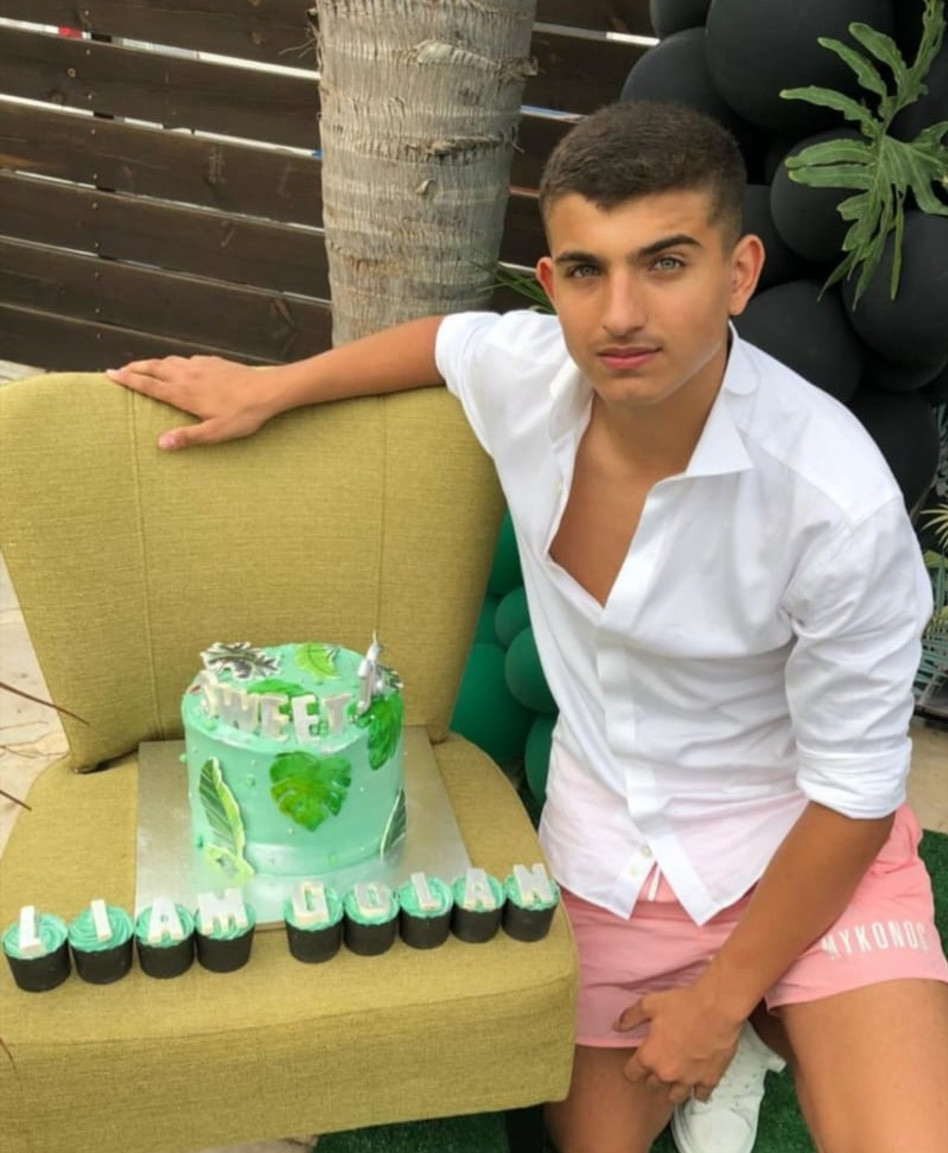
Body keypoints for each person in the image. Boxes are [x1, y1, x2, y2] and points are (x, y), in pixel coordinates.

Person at [107, 101, 948, 1153]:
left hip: (801, 852)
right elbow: (441, 341)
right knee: (589, 1139)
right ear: (550, 283)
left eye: (666, 263)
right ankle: (739, 1033)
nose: (622, 313)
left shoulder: (835, 501)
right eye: (588, 270)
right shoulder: (525, 373)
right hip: (612, 850)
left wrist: (718, 999)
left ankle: (757, 1019)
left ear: (739, 273)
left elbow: (854, 794)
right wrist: (273, 386)